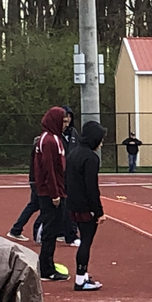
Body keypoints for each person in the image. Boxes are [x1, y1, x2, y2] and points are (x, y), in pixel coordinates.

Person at [65, 121, 106, 291]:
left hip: (73, 204)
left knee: (84, 240)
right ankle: (80, 279)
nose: (101, 143)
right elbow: (91, 187)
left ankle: (83, 276)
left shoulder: (73, 153)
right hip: (85, 206)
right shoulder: (91, 158)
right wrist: (99, 211)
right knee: (86, 242)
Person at [33, 107, 70, 281]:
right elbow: (50, 169)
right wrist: (55, 194)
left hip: (52, 190)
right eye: (63, 121)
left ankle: (47, 264)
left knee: (53, 229)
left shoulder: (50, 138)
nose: (65, 124)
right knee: (51, 230)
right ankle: (46, 268)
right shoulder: (49, 140)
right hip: (51, 193)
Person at [7, 134, 43, 242]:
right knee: (46, 206)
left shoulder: (38, 145)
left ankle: (16, 229)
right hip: (37, 180)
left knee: (33, 205)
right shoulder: (41, 146)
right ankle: (38, 233)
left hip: (35, 180)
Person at [59, 106, 81, 247]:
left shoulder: (74, 133)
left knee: (70, 205)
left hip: (71, 175)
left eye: (69, 118)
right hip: (59, 176)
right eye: (64, 119)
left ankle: (71, 233)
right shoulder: (53, 136)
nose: (67, 122)